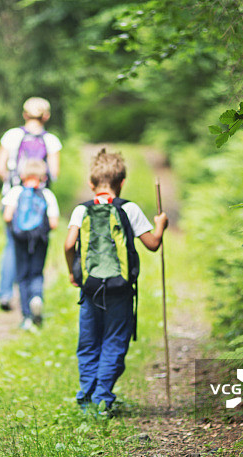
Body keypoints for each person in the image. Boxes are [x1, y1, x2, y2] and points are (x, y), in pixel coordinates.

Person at [63, 149, 168, 414]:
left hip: (90, 287)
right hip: (121, 289)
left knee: (88, 343)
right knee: (114, 342)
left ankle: (86, 400)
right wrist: (160, 225)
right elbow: (153, 244)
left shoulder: (81, 210)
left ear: (91, 184)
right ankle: (103, 399)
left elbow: (68, 244)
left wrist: (73, 272)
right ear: (122, 183)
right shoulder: (129, 208)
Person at [0, 97, 62, 311]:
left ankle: (6, 295)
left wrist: (14, 185)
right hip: (40, 202)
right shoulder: (51, 140)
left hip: (13, 198)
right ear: (46, 116)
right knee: (38, 246)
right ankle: (35, 291)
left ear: (24, 114)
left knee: (11, 245)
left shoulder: (12, 135)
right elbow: (55, 173)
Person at [2, 158, 59, 330]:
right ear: (43, 177)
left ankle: (27, 316)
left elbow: (7, 216)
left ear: (22, 175)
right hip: (40, 241)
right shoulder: (47, 195)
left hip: (20, 241)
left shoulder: (15, 192)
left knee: (22, 275)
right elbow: (54, 223)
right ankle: (37, 298)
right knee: (37, 273)